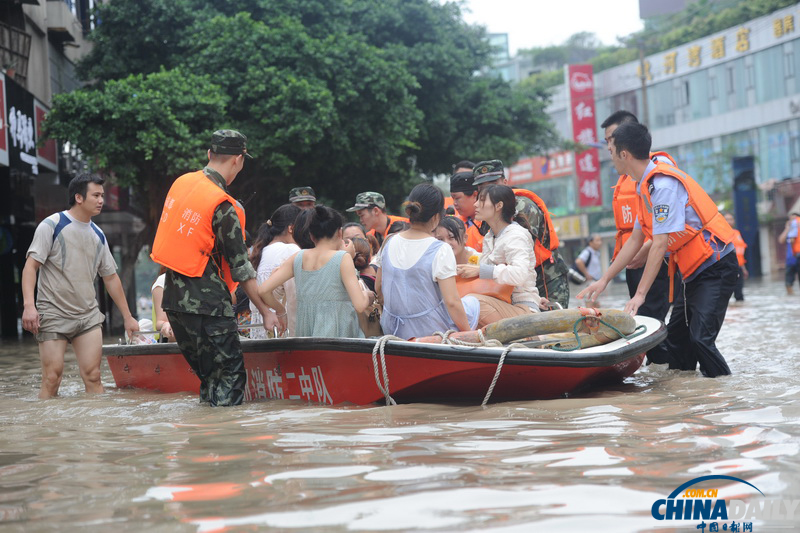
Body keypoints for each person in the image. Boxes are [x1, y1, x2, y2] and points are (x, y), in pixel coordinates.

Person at [578, 121, 737, 378]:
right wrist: (604, 280)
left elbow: (660, 243)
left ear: (624, 154)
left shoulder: (661, 186)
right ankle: (688, 401)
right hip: (693, 270)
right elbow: (635, 240)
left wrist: (640, 295)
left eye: (611, 152)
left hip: (716, 265)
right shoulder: (644, 186)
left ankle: (724, 393)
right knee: (676, 339)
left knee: (701, 339)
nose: (610, 159)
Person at [151, 130, 279, 406]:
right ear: (238, 160)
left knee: (210, 380)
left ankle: (202, 444)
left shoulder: (181, 184)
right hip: (208, 308)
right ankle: (225, 446)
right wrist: (266, 311)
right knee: (230, 380)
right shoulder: (221, 204)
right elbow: (241, 268)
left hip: (174, 304)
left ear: (210, 155)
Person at [21, 173, 140, 399]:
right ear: (78, 197)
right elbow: (30, 267)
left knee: (94, 376)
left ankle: (94, 431)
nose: (101, 200)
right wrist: (29, 306)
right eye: (95, 195)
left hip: (87, 316)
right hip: (53, 313)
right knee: (52, 377)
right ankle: (46, 430)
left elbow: (111, 278)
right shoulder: (52, 225)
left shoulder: (98, 234)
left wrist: (127, 316)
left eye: (102, 195)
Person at [377, 183, 480, 339]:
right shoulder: (439, 249)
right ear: (437, 217)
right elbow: (452, 302)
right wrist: (468, 335)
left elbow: (379, 289)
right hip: (428, 332)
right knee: (473, 303)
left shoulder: (389, 241)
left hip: (391, 329)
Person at [602, 111, 673, 324]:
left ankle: (661, 359)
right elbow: (637, 230)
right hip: (632, 257)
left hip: (655, 255)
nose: (609, 147)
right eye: (607, 141)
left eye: (612, 139)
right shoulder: (630, 175)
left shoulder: (658, 172)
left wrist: (646, 249)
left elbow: (665, 227)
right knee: (640, 316)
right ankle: (654, 358)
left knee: (653, 317)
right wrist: (605, 278)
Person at [259, 206, 374, 338]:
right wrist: (367, 295)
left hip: (306, 339)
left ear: (311, 235)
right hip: (339, 340)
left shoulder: (298, 257)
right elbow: (359, 305)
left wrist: (281, 311)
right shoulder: (343, 258)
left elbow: (263, 291)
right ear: (339, 233)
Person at [472, 160, 569, 310]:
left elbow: (518, 260)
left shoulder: (522, 209)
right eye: (482, 189)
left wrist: (482, 270)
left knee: (554, 325)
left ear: (505, 182)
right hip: (512, 284)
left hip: (544, 277)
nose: (488, 191)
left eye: (493, 184)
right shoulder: (488, 223)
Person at [456, 185, 541, 327]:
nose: (475, 204)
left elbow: (519, 274)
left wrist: (480, 270)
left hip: (522, 308)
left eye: (481, 200)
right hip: (500, 302)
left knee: (473, 303)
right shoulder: (491, 236)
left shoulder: (516, 235)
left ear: (498, 206)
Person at [249, 204, 302, 338]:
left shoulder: (260, 251)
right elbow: (294, 299)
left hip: (259, 329)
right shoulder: (290, 251)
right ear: (292, 228)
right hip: (280, 328)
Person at [449, 161, 485, 251]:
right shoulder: (455, 223)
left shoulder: (489, 224)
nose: (454, 203)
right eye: (453, 198)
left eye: (457, 198)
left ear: (475, 195)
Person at [724, 213, 748, 302]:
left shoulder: (737, 233)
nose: (729, 221)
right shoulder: (720, 233)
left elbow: (740, 253)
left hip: (738, 266)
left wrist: (744, 268)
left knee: (739, 293)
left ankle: (740, 313)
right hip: (727, 267)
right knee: (725, 293)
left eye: (731, 219)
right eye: (727, 219)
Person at [779, 211, 800, 295]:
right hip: (790, 260)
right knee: (788, 283)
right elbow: (781, 240)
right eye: (790, 219)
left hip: (797, 256)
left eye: (794, 219)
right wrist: (787, 228)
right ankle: (791, 297)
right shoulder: (789, 231)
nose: (792, 221)